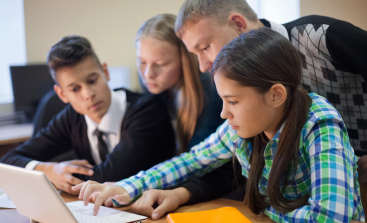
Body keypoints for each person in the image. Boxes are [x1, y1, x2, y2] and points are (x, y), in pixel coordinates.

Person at [74, 28, 365, 222]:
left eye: (233, 101)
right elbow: (192, 161)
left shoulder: (320, 125)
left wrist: (269, 212)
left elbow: (331, 217)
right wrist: (127, 187)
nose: (224, 114)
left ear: (276, 95)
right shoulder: (243, 128)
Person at [0, 36, 176, 195]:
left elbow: (109, 177)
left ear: (105, 72)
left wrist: (59, 175)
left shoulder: (147, 110)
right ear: (62, 94)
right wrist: (46, 170)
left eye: (92, 81)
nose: (88, 94)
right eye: (75, 89)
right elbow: (7, 162)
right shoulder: (71, 117)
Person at [136, 14, 224, 152]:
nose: (147, 74)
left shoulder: (209, 91)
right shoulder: (153, 86)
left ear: (184, 61)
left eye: (160, 64)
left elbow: (197, 159)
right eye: (142, 62)